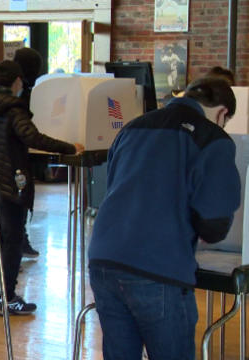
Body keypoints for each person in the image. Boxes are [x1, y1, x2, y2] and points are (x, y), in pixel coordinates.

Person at [87, 76, 241, 359]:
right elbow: (215, 221)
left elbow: (114, 187)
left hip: (103, 259)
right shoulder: (212, 138)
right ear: (222, 113)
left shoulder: (132, 127)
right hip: (157, 267)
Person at [0, 60, 84, 315]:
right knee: (13, 239)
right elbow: (32, 137)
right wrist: (69, 146)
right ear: (17, 80)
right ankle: (8, 296)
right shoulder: (14, 108)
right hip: (12, 181)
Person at [13, 47, 44, 258]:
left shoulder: (20, 91)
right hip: (17, 159)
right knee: (19, 200)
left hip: (14, 158)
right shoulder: (20, 98)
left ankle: (18, 242)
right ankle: (16, 245)